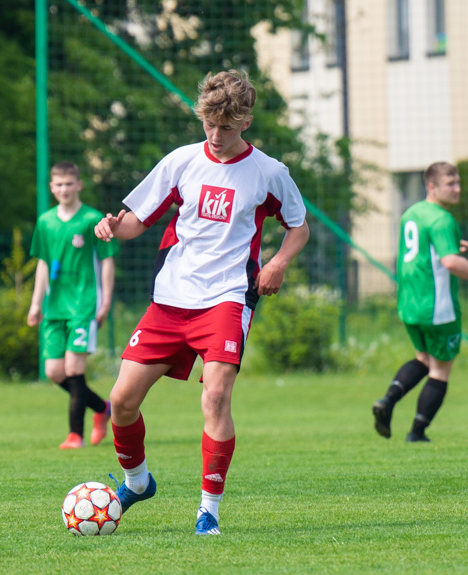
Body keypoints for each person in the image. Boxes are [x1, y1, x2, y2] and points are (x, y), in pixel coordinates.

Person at [94, 70, 309, 535]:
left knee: (215, 395)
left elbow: (299, 226)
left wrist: (277, 264)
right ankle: (138, 482)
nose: (215, 135)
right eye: (209, 124)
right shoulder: (182, 161)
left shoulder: (269, 173)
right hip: (171, 299)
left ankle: (208, 510)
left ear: (246, 121)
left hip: (227, 299)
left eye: (226, 127)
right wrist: (113, 226)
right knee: (121, 400)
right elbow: (137, 221)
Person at [372, 161, 468, 443]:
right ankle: (417, 433)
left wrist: (452, 247)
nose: (457, 189)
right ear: (431, 186)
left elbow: (424, 250)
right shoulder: (442, 219)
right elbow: (450, 262)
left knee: (423, 357)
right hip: (437, 305)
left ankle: (388, 401)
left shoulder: (412, 213)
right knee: (441, 368)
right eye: (451, 184)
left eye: (458, 183)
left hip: (409, 303)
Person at [28, 161, 119, 450]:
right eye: (59, 184)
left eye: (69, 184)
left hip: (83, 304)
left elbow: (106, 261)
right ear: (51, 187)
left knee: (74, 368)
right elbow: (42, 263)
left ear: (78, 185)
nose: (64, 189)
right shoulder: (45, 222)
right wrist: (35, 303)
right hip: (54, 306)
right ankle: (103, 409)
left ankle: (74, 435)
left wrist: (105, 301)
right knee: (55, 371)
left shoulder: (92, 219)